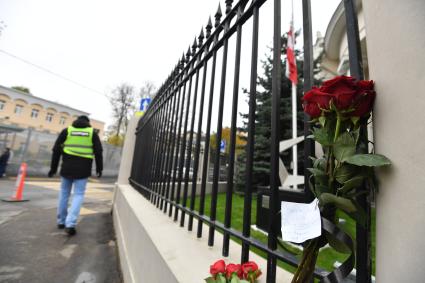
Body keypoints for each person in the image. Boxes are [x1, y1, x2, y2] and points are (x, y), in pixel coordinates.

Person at [48, 115, 103, 236]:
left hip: (66, 168)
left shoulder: (67, 130)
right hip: (83, 170)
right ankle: (70, 224)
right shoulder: (92, 133)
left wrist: (53, 168)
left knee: (64, 193)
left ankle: (61, 221)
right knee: (78, 195)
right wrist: (99, 168)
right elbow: (98, 152)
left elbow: (56, 150)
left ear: (76, 121)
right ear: (88, 123)